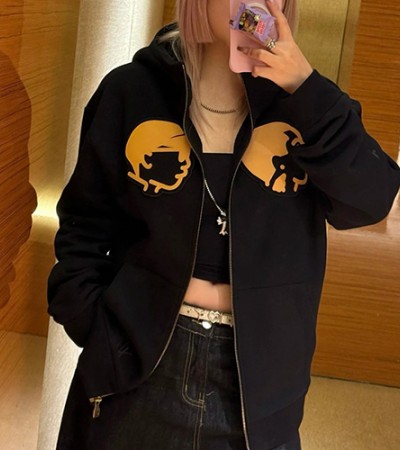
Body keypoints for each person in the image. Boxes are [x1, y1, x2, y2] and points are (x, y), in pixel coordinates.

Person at [47, 1, 400, 449]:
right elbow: (83, 227)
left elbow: (371, 200)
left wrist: (305, 88)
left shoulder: (307, 106)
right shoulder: (131, 91)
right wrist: (96, 329)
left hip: (259, 382)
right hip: (138, 363)